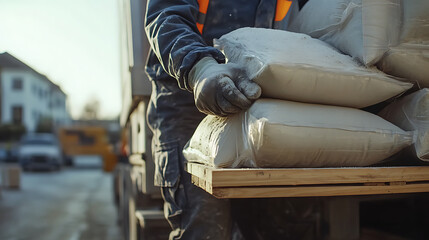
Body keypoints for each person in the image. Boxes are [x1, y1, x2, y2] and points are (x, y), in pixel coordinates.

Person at [144, 0, 309, 239]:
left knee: (275, 226)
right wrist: (200, 68)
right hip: (188, 103)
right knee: (207, 229)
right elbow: (166, 15)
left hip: (260, 104)